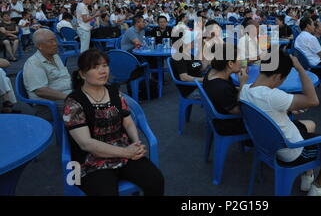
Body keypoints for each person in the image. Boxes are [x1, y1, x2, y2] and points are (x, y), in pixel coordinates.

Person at [240, 49, 321, 196]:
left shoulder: (245, 89)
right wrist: (300, 68)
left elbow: (264, 108)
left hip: (266, 141)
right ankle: (319, 187)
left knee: (310, 124)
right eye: (283, 79)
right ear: (278, 77)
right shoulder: (273, 96)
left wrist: (288, 110)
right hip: (292, 150)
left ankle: (307, 176)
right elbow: (313, 100)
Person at [63, 49, 164, 196]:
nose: (102, 71)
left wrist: (136, 144)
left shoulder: (114, 92)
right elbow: (86, 144)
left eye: (104, 65)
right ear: (82, 74)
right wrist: (126, 152)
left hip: (125, 150)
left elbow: (128, 122)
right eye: (95, 67)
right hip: (90, 161)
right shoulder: (73, 102)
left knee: (156, 180)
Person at [23, 29, 72, 120]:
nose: (55, 43)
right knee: (87, 108)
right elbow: (41, 91)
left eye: (55, 40)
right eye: (51, 41)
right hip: (48, 106)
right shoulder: (33, 63)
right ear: (40, 46)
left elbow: (63, 78)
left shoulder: (55, 56)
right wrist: (70, 98)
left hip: (65, 96)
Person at [203, 43, 248, 135]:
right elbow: (237, 110)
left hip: (220, 112)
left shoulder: (213, 72)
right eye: (239, 59)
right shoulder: (221, 87)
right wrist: (243, 84)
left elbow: (229, 90)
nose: (242, 61)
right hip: (227, 123)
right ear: (230, 63)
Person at [171, 31, 209, 98]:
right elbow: (184, 78)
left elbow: (201, 68)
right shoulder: (179, 57)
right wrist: (204, 80)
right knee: (221, 91)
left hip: (200, 85)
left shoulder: (189, 54)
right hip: (192, 89)